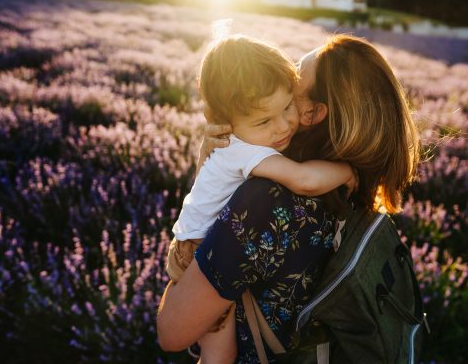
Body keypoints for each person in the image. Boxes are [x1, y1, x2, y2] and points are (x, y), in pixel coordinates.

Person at [157, 34, 420, 363]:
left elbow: (172, 333)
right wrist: (214, 160)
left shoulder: (264, 202)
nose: (283, 77)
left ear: (313, 113)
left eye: (296, 73)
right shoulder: (350, 193)